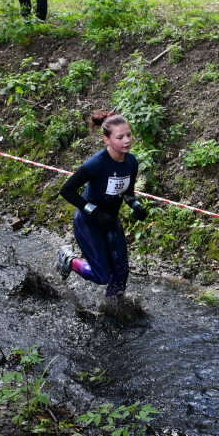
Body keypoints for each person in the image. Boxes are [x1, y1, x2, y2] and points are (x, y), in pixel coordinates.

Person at [57, 112, 148, 298]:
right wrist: (95, 211)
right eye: (120, 137)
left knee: (122, 274)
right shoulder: (96, 163)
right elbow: (67, 190)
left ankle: (112, 311)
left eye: (129, 135)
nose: (127, 140)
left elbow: (128, 194)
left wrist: (136, 206)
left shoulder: (131, 162)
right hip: (88, 221)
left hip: (110, 221)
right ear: (107, 139)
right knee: (102, 276)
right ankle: (69, 259)